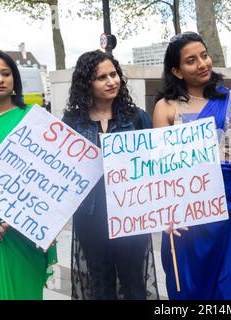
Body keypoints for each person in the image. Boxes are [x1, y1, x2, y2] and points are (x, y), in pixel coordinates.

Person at [153, 31, 231, 300]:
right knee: (191, 286)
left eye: (204, 55)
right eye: (191, 60)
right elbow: (160, 168)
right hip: (188, 213)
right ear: (177, 71)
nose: (202, 64)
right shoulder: (165, 108)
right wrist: (166, 212)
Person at [62, 50, 159, 300]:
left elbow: (156, 164)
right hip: (90, 216)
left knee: (134, 281)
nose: (111, 81)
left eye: (113, 74)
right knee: (100, 282)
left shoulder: (136, 117)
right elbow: (61, 169)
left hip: (131, 214)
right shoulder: (73, 121)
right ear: (87, 84)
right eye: (101, 77)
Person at [0, 49, 57, 299]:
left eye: (6, 73)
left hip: (26, 228)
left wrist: (48, 222)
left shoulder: (35, 120)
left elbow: (54, 175)